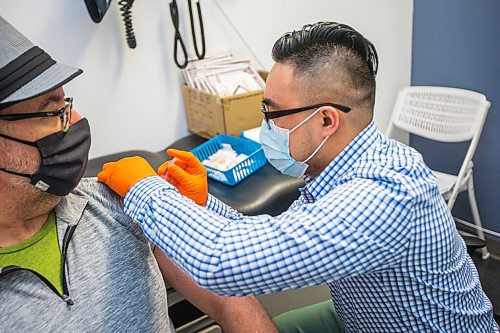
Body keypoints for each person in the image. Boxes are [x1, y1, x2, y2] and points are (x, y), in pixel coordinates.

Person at [98, 21, 499, 332]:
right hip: (363, 316)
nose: (265, 125)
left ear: (326, 119)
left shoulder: (382, 194)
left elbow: (223, 263)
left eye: (272, 113)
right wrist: (204, 201)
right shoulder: (344, 166)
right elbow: (278, 238)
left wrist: (142, 187)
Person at [0, 15, 278, 333]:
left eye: (68, 103)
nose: (77, 120)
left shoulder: (116, 200)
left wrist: (187, 207)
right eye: (54, 111)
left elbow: (230, 300)